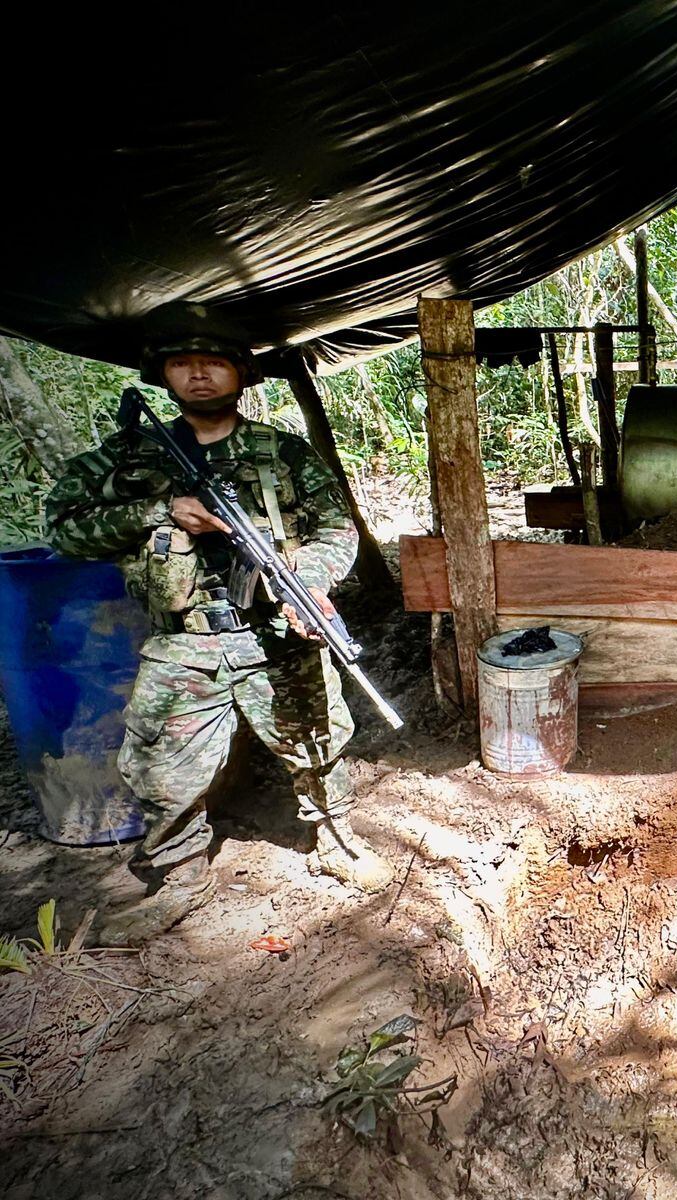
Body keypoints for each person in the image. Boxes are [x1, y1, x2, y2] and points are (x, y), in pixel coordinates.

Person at [44, 302, 393, 945]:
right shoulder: (125, 457)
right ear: (162, 374)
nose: (199, 375)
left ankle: (334, 835)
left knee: (318, 738)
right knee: (158, 762)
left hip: (276, 631)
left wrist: (308, 584)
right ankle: (179, 870)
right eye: (183, 362)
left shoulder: (280, 454)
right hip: (185, 639)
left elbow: (337, 528)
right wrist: (158, 511)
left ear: (240, 373)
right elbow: (62, 530)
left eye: (214, 362)